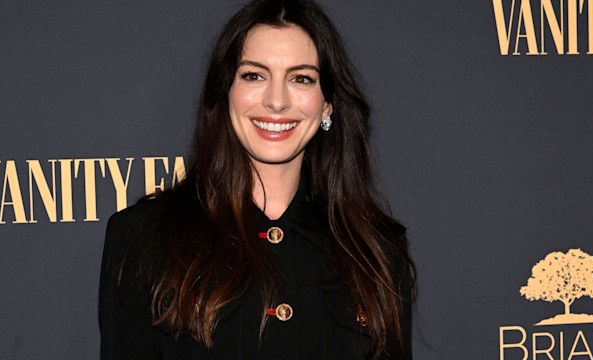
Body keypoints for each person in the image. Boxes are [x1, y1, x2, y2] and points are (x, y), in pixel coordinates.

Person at [99, 0, 414, 359]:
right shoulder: (144, 239)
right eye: (254, 75)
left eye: (301, 78)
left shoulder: (377, 251)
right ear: (225, 91)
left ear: (327, 104)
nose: (276, 101)